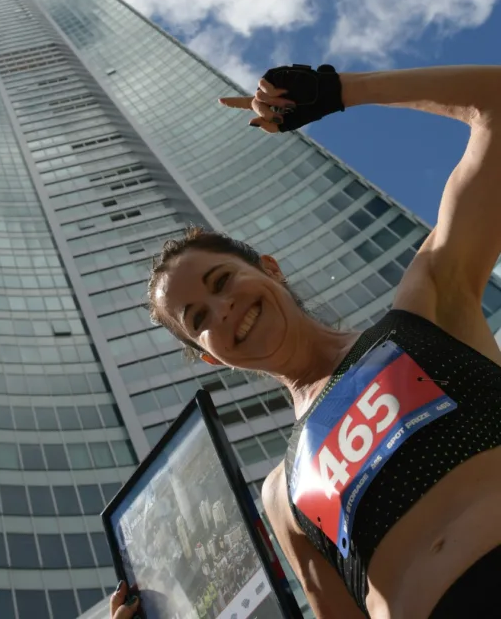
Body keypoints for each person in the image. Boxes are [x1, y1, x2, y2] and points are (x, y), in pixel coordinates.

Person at [110, 64, 501, 619]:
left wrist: (338, 93)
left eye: (223, 281)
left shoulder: (427, 304)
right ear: (207, 354)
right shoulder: (282, 495)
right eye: (198, 317)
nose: (224, 309)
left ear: (270, 268)